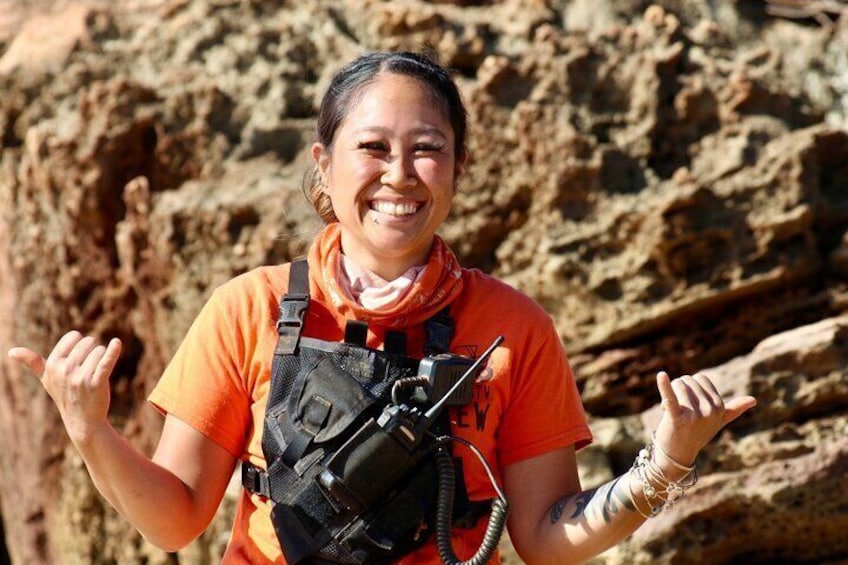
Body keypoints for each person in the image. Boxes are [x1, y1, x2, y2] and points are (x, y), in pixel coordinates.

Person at [7, 51, 756, 564]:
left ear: (458, 170)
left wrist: (667, 459)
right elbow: (173, 520)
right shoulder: (251, 307)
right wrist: (91, 428)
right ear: (324, 165)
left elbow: (544, 534)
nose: (399, 175)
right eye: (372, 147)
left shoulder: (514, 326)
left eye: (426, 148)